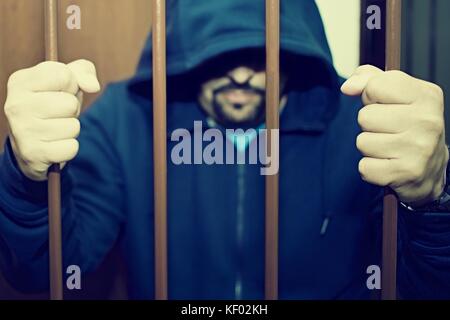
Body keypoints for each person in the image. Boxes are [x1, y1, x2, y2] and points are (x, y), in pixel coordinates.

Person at [1, 0, 449, 299]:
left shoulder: (361, 127)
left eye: (259, 53)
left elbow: (424, 286)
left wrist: (431, 203)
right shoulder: (128, 119)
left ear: (294, 47)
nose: (240, 74)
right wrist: (27, 177)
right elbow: (43, 273)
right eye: (216, 53)